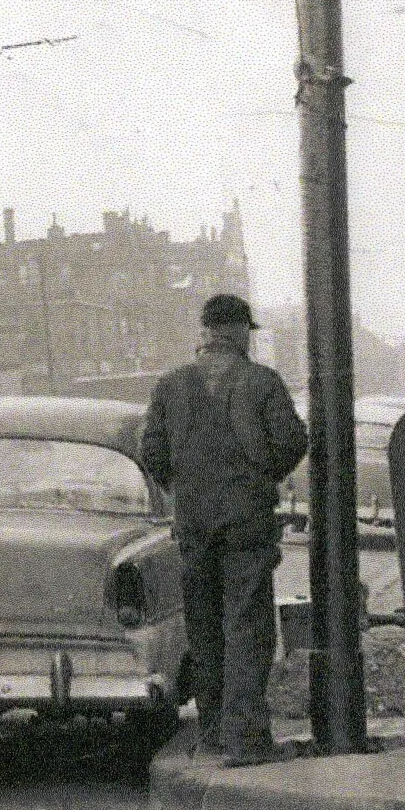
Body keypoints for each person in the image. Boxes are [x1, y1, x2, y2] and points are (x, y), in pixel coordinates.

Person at [138, 293, 309, 767]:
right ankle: (247, 738)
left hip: (193, 525)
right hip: (245, 524)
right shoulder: (261, 381)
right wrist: (261, 476)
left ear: (205, 332)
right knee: (247, 626)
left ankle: (212, 732)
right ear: (238, 332)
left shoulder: (171, 385)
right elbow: (293, 440)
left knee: (204, 627)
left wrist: (183, 487)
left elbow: (151, 451)